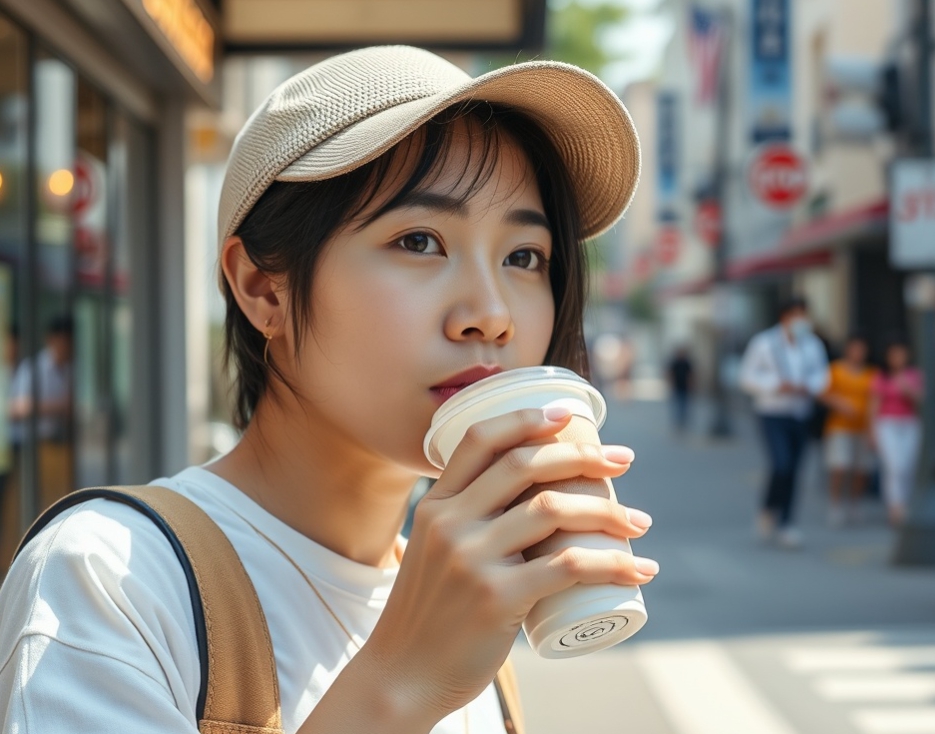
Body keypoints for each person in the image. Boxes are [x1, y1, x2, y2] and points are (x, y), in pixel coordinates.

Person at [0, 47, 657, 733]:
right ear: (262, 289)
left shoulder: (460, 600)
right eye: (419, 241)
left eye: (523, 257)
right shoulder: (111, 578)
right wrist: (399, 685)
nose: (490, 314)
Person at [739, 297, 829, 549]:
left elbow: (822, 375)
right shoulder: (764, 343)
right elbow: (747, 376)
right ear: (784, 317)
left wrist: (807, 387)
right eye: (795, 315)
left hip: (800, 413)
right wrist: (776, 385)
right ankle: (769, 508)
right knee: (781, 464)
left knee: (795, 469)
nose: (800, 321)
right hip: (772, 413)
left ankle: (787, 522)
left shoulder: (812, 345)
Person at [820, 335, 877, 526]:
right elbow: (822, 394)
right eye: (854, 348)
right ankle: (835, 506)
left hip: (863, 427)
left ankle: (854, 504)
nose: (857, 353)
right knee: (840, 466)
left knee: (861, 470)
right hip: (839, 427)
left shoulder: (871, 373)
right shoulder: (836, 370)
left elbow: (875, 401)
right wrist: (841, 404)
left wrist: (872, 430)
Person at [870, 337, 925, 527]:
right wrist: (871, 431)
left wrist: (907, 388)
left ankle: (905, 503)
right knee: (895, 466)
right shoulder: (881, 376)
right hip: (887, 424)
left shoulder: (914, 375)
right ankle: (895, 506)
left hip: (909, 424)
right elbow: (874, 404)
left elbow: (921, 402)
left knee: (908, 467)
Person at [666, 345, 694, 433]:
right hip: (677, 387)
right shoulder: (675, 362)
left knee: (684, 405)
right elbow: (670, 373)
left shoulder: (687, 363)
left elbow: (691, 375)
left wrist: (692, 385)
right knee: (677, 405)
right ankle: (678, 422)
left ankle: (683, 421)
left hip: (685, 388)